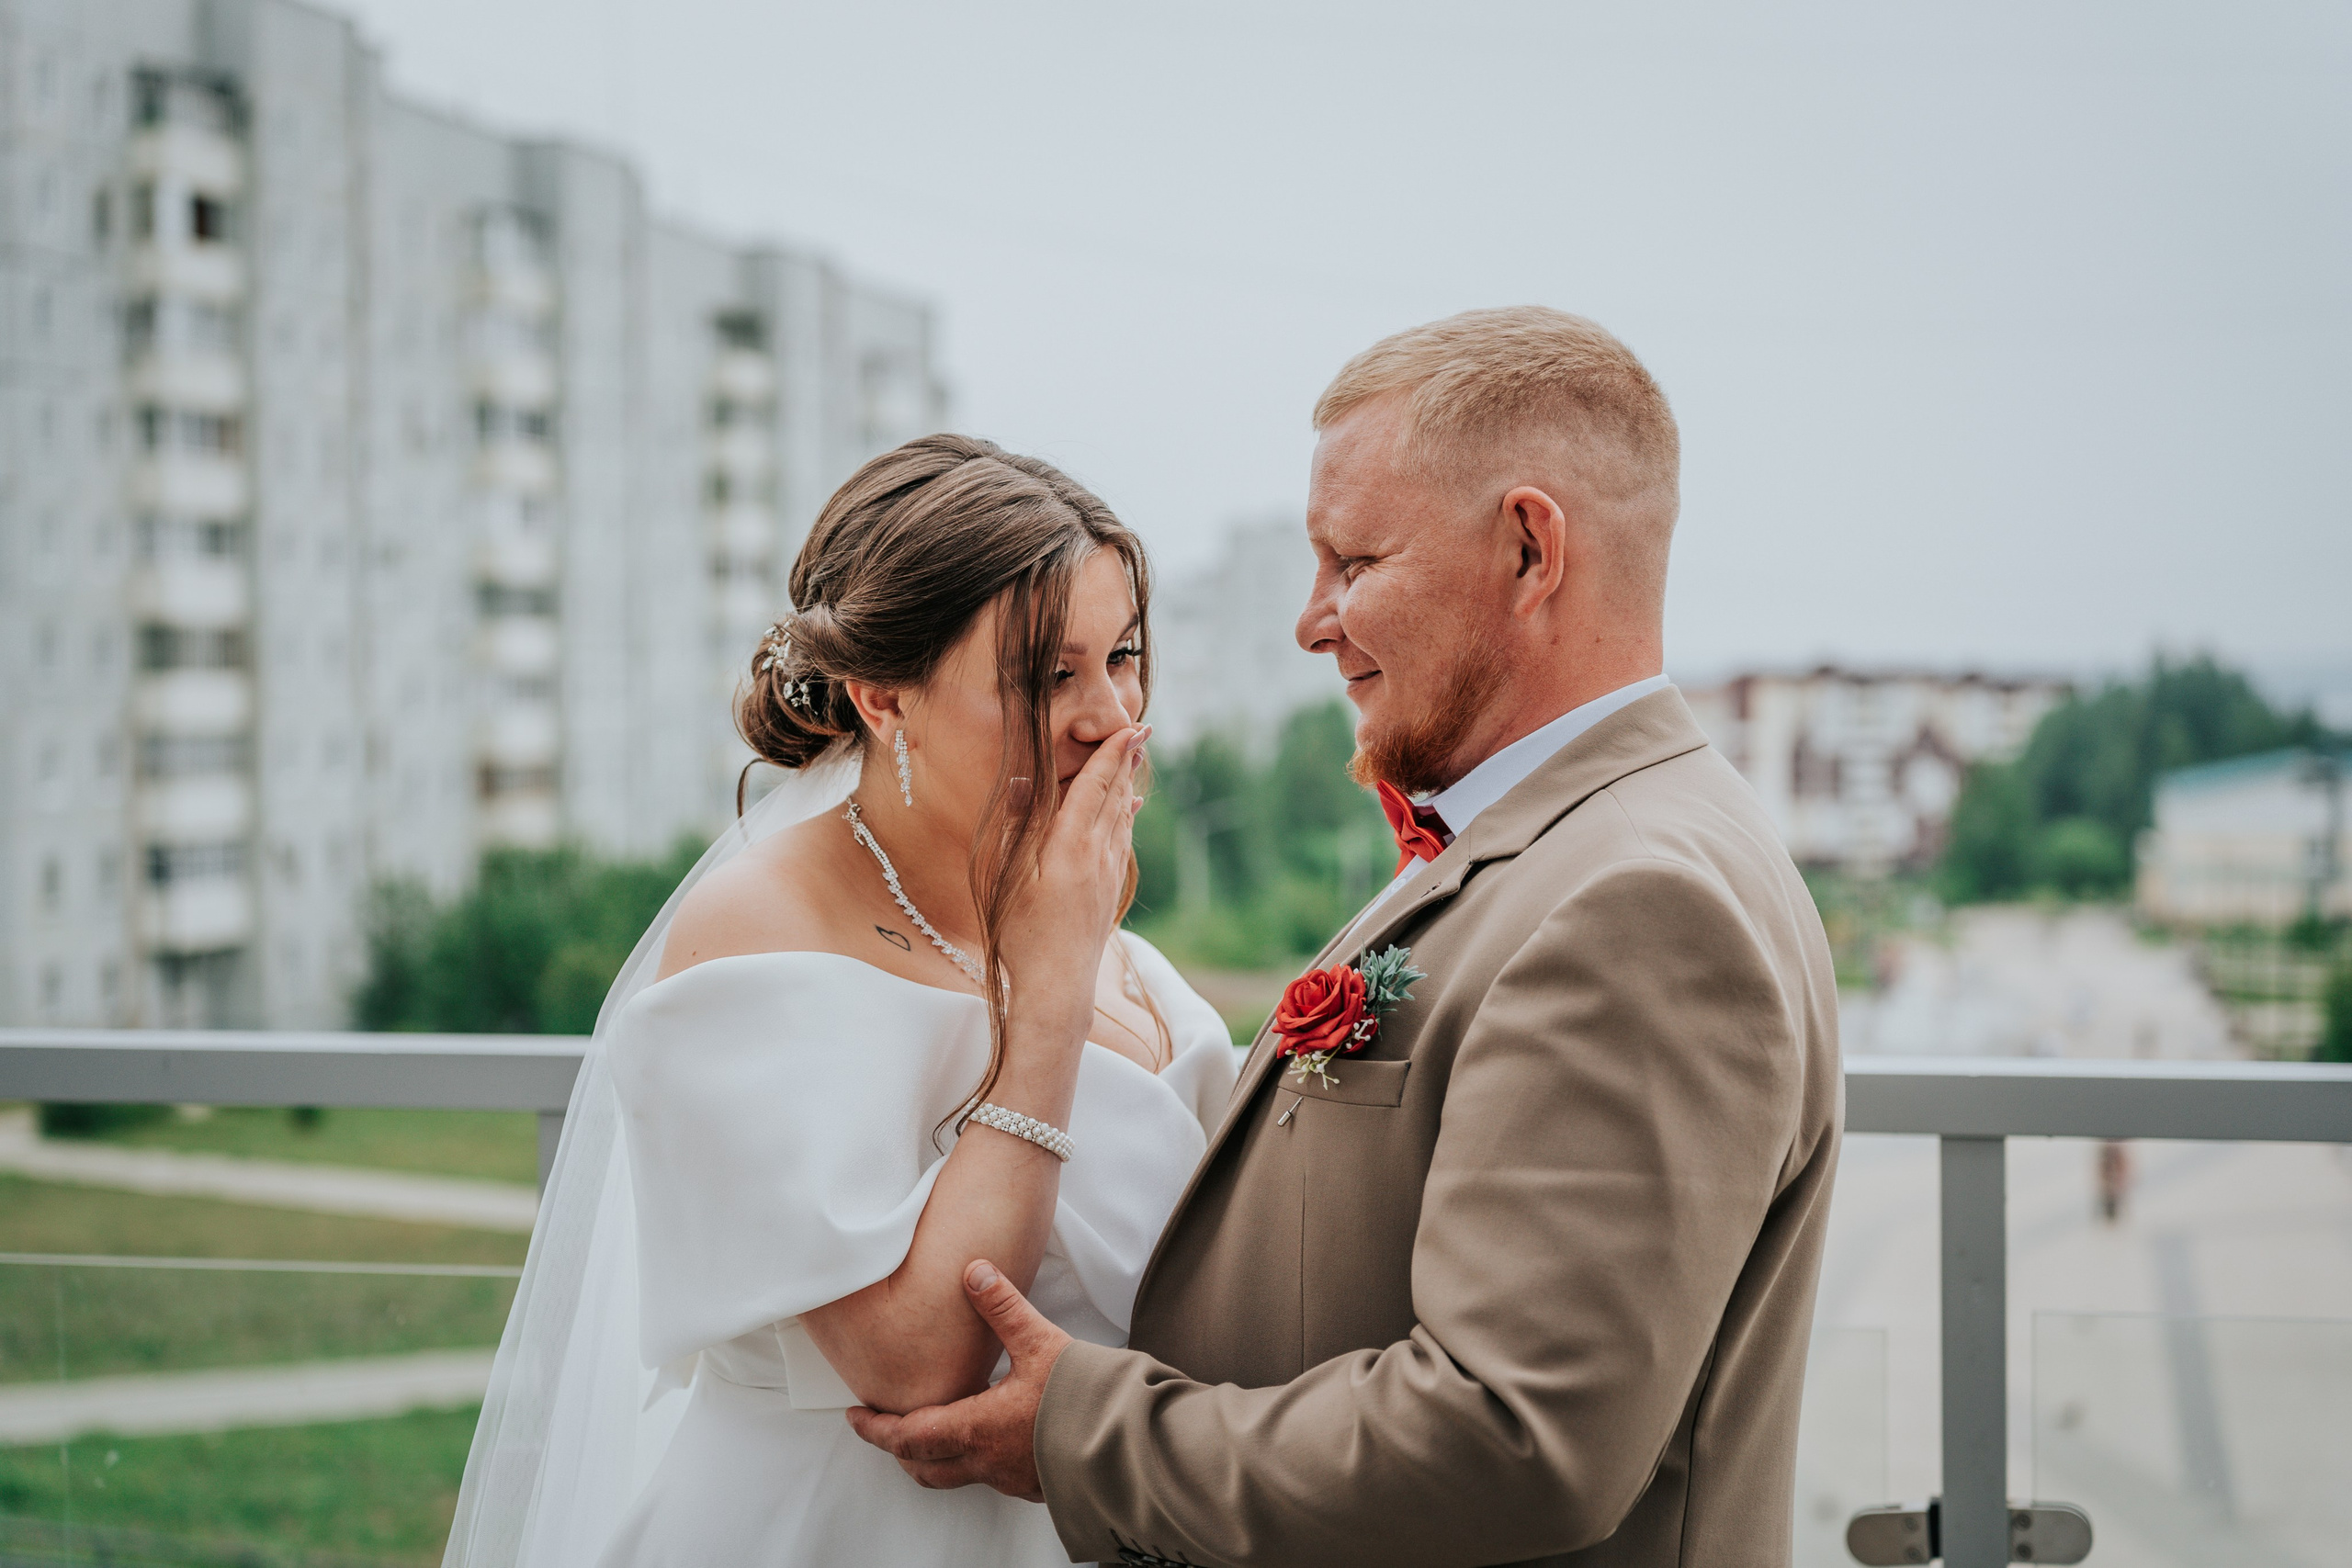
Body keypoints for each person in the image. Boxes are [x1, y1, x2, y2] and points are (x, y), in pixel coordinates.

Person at [850, 308, 1846, 1568]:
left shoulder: (1638, 902)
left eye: (1355, 560)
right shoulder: (1556, 843)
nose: (1313, 621)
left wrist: (1085, 1430)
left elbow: (1514, 1435)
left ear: (1532, 551)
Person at [441, 435, 1237, 1567]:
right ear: (883, 697)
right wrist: (1049, 990)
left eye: (1123, 657)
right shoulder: (759, 930)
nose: (1110, 716)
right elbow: (916, 1364)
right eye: (1047, 677)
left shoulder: (1101, 927)